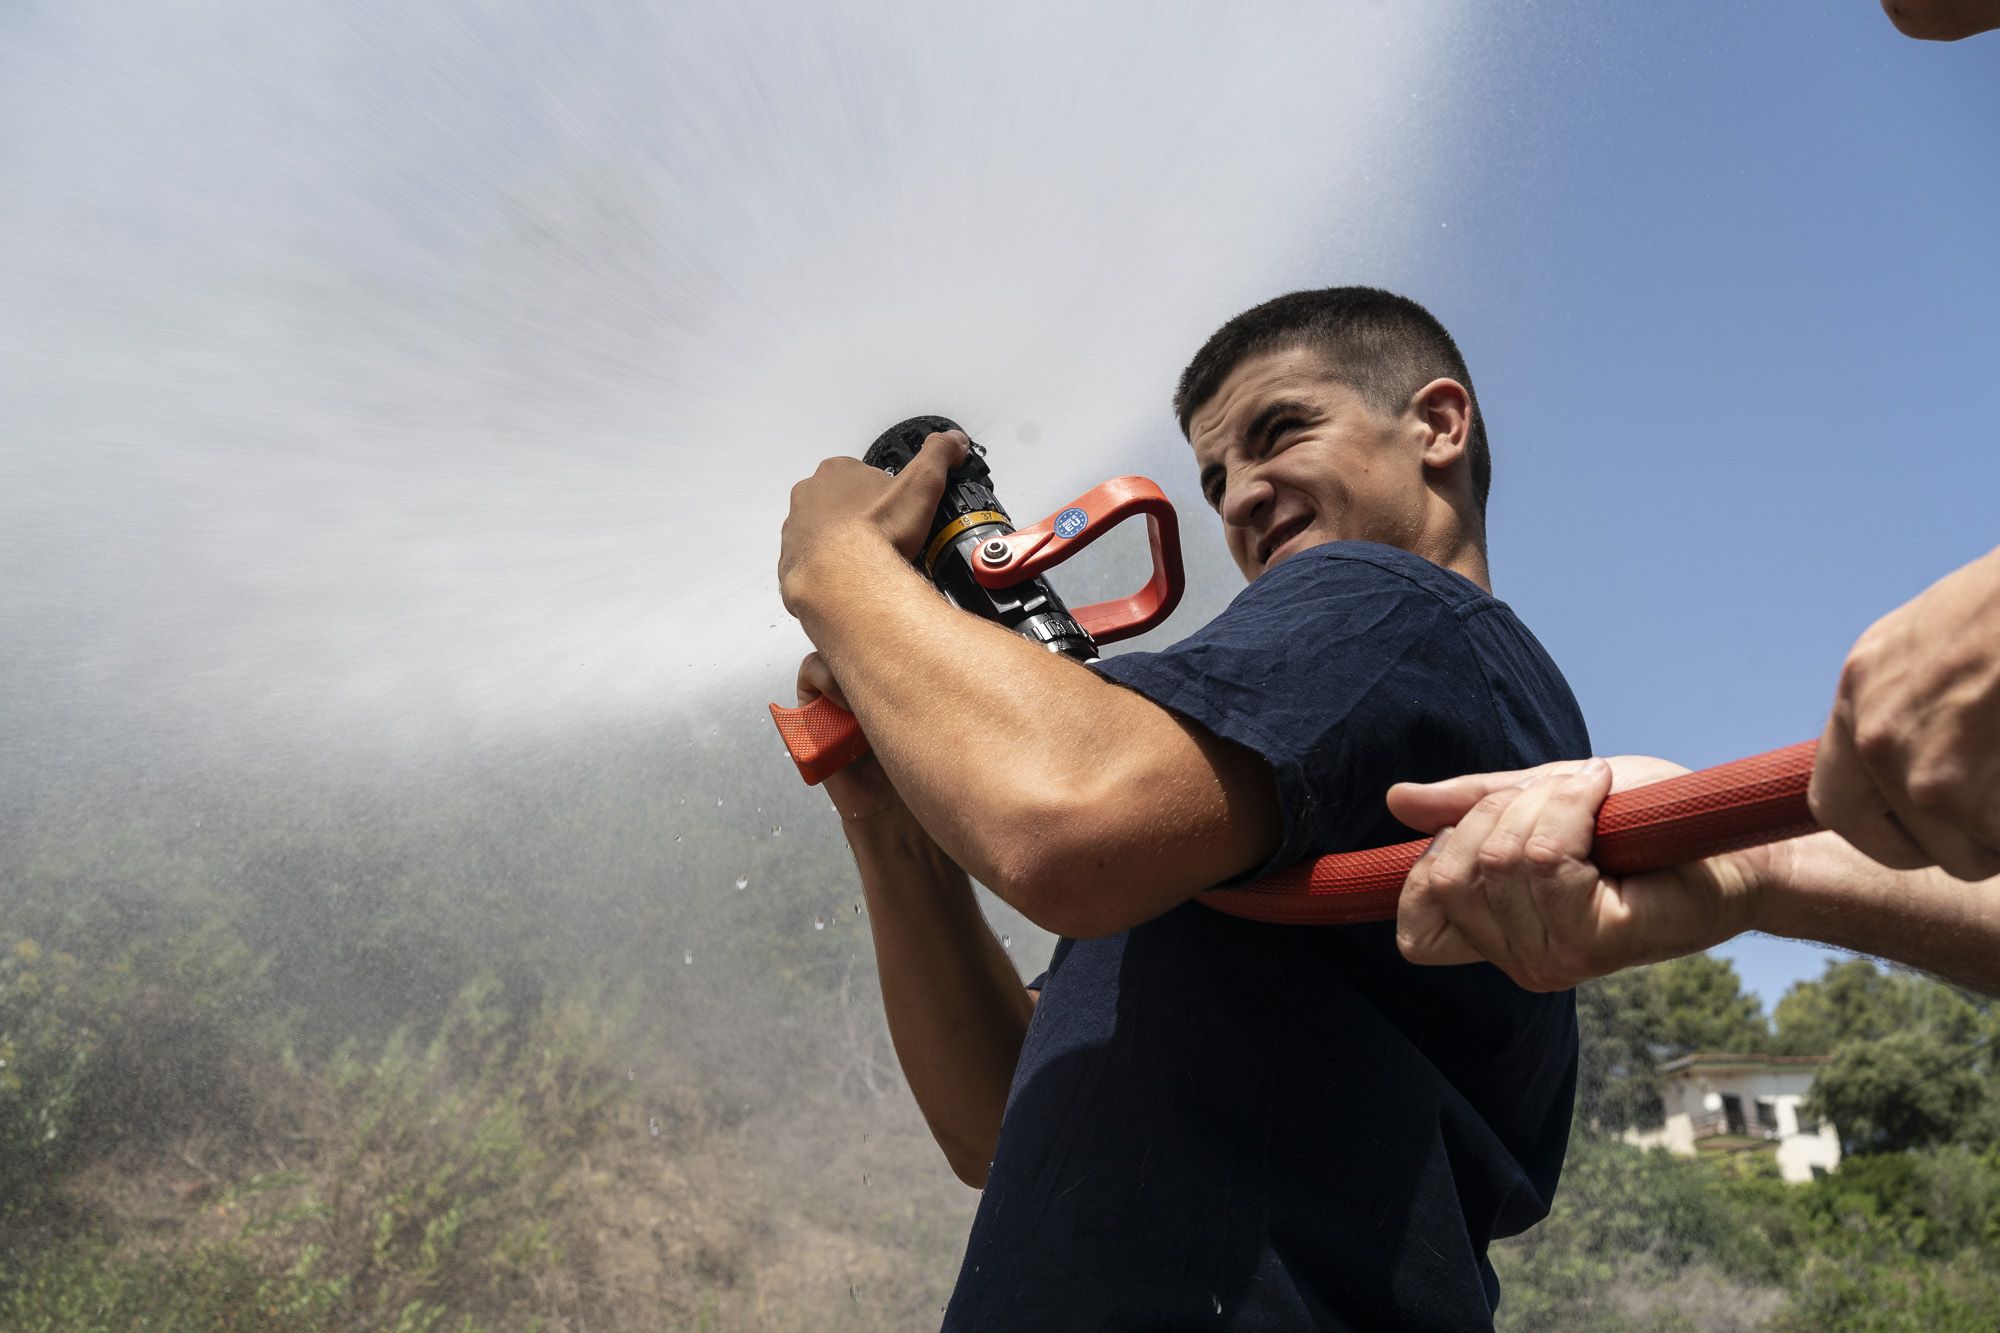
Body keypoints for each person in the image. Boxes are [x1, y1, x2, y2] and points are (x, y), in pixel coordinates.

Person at [780, 287, 1589, 1328]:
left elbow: (1061, 826)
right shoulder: (1308, 749)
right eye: (1215, 477)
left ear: (1437, 425)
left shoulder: (1383, 605)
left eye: (1280, 431)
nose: (1241, 495)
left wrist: (836, 571)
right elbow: (993, 1125)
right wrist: (889, 822)